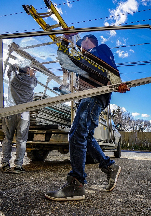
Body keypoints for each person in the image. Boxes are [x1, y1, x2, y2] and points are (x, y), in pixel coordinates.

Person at [45, 34, 129, 201]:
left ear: (90, 41)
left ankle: (77, 183)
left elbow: (110, 66)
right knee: (87, 137)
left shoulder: (99, 49)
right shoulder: (81, 60)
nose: (80, 44)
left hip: (94, 96)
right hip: (88, 98)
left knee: (76, 135)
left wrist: (118, 82)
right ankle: (109, 166)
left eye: (82, 41)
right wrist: (65, 41)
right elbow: (63, 60)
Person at [1, 65, 37, 174]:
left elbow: (10, 70)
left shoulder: (13, 78)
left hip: (10, 111)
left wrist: (15, 67)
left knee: (8, 138)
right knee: (21, 140)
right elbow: (34, 80)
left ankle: (5, 164)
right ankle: (18, 165)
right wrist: (32, 73)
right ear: (27, 70)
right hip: (24, 113)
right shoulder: (31, 81)